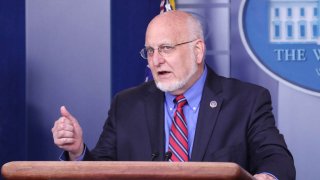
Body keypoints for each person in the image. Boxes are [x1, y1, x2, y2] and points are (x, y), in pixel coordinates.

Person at [52, 10, 295, 180]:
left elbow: (276, 158)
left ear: (197, 50)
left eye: (166, 48)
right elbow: (100, 171)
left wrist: (266, 177)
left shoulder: (247, 101)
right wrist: (77, 151)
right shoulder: (126, 105)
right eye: (150, 51)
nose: (156, 61)